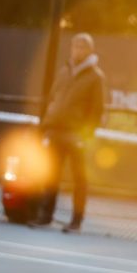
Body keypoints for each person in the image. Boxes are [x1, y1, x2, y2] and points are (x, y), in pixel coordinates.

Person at [39, 32, 105, 232]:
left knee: (79, 180)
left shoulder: (96, 77)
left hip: (77, 138)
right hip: (56, 133)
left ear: (90, 50)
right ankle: (45, 216)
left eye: (82, 46)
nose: (78, 50)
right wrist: (47, 127)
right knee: (51, 176)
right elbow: (53, 99)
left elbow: (96, 110)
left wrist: (84, 137)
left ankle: (76, 221)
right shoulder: (63, 72)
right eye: (75, 46)